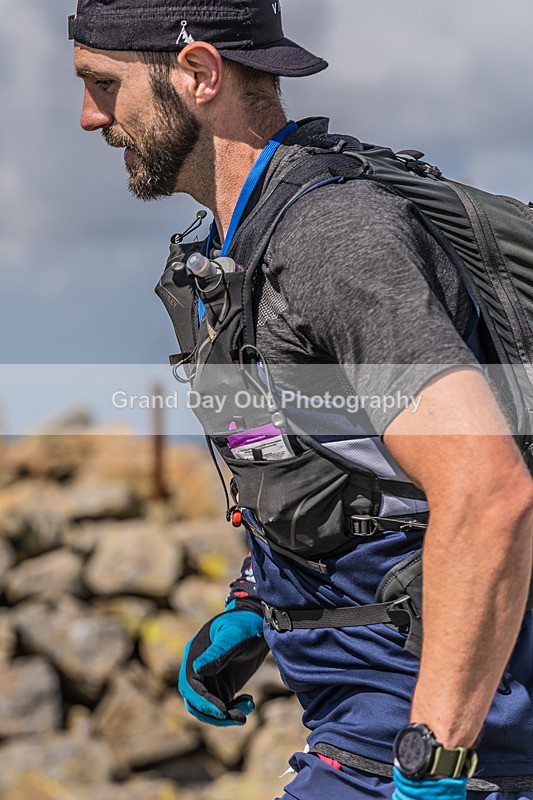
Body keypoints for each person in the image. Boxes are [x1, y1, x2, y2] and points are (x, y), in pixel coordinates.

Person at [69, 1, 533, 798]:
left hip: (422, 753)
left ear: (199, 74)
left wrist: (435, 763)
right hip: (357, 733)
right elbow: (331, 466)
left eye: (103, 84)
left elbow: (488, 492)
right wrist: (260, 602)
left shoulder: (331, 238)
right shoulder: (238, 247)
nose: (87, 117)